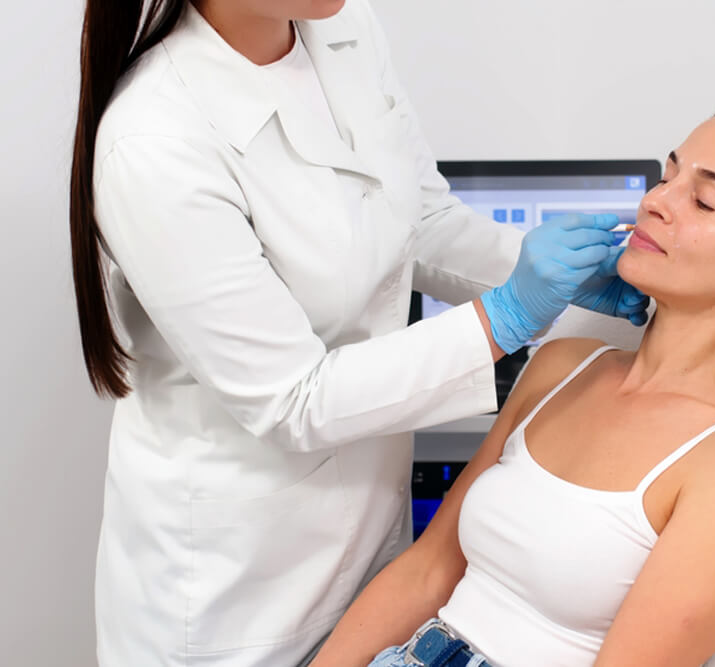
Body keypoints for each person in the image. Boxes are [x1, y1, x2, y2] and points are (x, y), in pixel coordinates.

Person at [68, 0, 648, 664]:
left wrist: (563, 288)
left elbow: (416, 223)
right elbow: (292, 399)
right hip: (237, 590)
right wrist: (507, 316)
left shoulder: (342, 26)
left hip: (375, 547)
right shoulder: (155, 139)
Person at [310, 97, 715, 666]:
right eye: (668, 174)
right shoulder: (563, 364)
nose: (657, 201)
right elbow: (428, 569)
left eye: (704, 202)